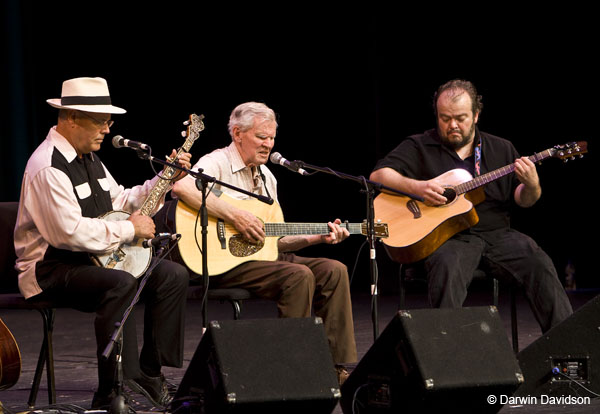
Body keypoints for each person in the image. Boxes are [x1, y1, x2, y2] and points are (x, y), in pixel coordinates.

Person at [14, 77, 192, 409]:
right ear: (70, 118)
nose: (107, 130)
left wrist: (163, 180)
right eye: (99, 121)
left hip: (92, 259)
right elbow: (66, 233)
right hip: (50, 268)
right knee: (121, 283)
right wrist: (129, 230)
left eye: (108, 122)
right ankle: (111, 389)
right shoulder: (48, 166)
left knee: (172, 276)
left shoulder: (90, 157)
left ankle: (148, 374)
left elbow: (122, 201)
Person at [171, 101, 357, 383]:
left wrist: (318, 237)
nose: (268, 144)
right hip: (221, 261)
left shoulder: (267, 176)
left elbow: (275, 241)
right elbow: (182, 186)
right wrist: (235, 215)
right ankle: (290, 370)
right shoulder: (217, 162)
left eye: (271, 138)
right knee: (298, 275)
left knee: (334, 270)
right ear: (237, 133)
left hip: (260, 260)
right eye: (261, 137)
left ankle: (333, 369)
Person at [369, 79, 573, 333]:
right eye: (445, 118)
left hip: (497, 235)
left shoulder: (501, 148)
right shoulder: (419, 145)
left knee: (540, 263)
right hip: (448, 239)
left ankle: (568, 354)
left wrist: (532, 185)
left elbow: (524, 199)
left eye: (460, 118)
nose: (452, 125)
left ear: (476, 115)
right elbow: (378, 176)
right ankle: (448, 359)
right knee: (447, 268)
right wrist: (417, 188)